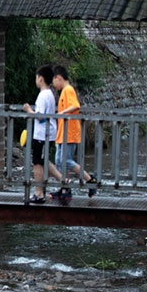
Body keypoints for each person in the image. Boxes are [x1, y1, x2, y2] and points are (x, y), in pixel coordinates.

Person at [51, 66, 94, 202]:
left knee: (65, 161)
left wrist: (62, 113)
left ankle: (90, 180)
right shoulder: (64, 91)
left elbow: (75, 105)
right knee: (59, 162)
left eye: (54, 81)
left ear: (58, 78)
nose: (53, 84)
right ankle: (65, 188)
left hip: (69, 133)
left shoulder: (68, 90)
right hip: (63, 133)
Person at [21, 66, 63, 202]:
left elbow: (40, 116)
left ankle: (39, 193)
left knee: (37, 163)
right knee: (43, 161)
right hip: (48, 133)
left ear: (40, 78)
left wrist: (28, 110)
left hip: (42, 134)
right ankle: (63, 181)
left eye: (36, 77)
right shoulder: (50, 93)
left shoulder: (42, 96)